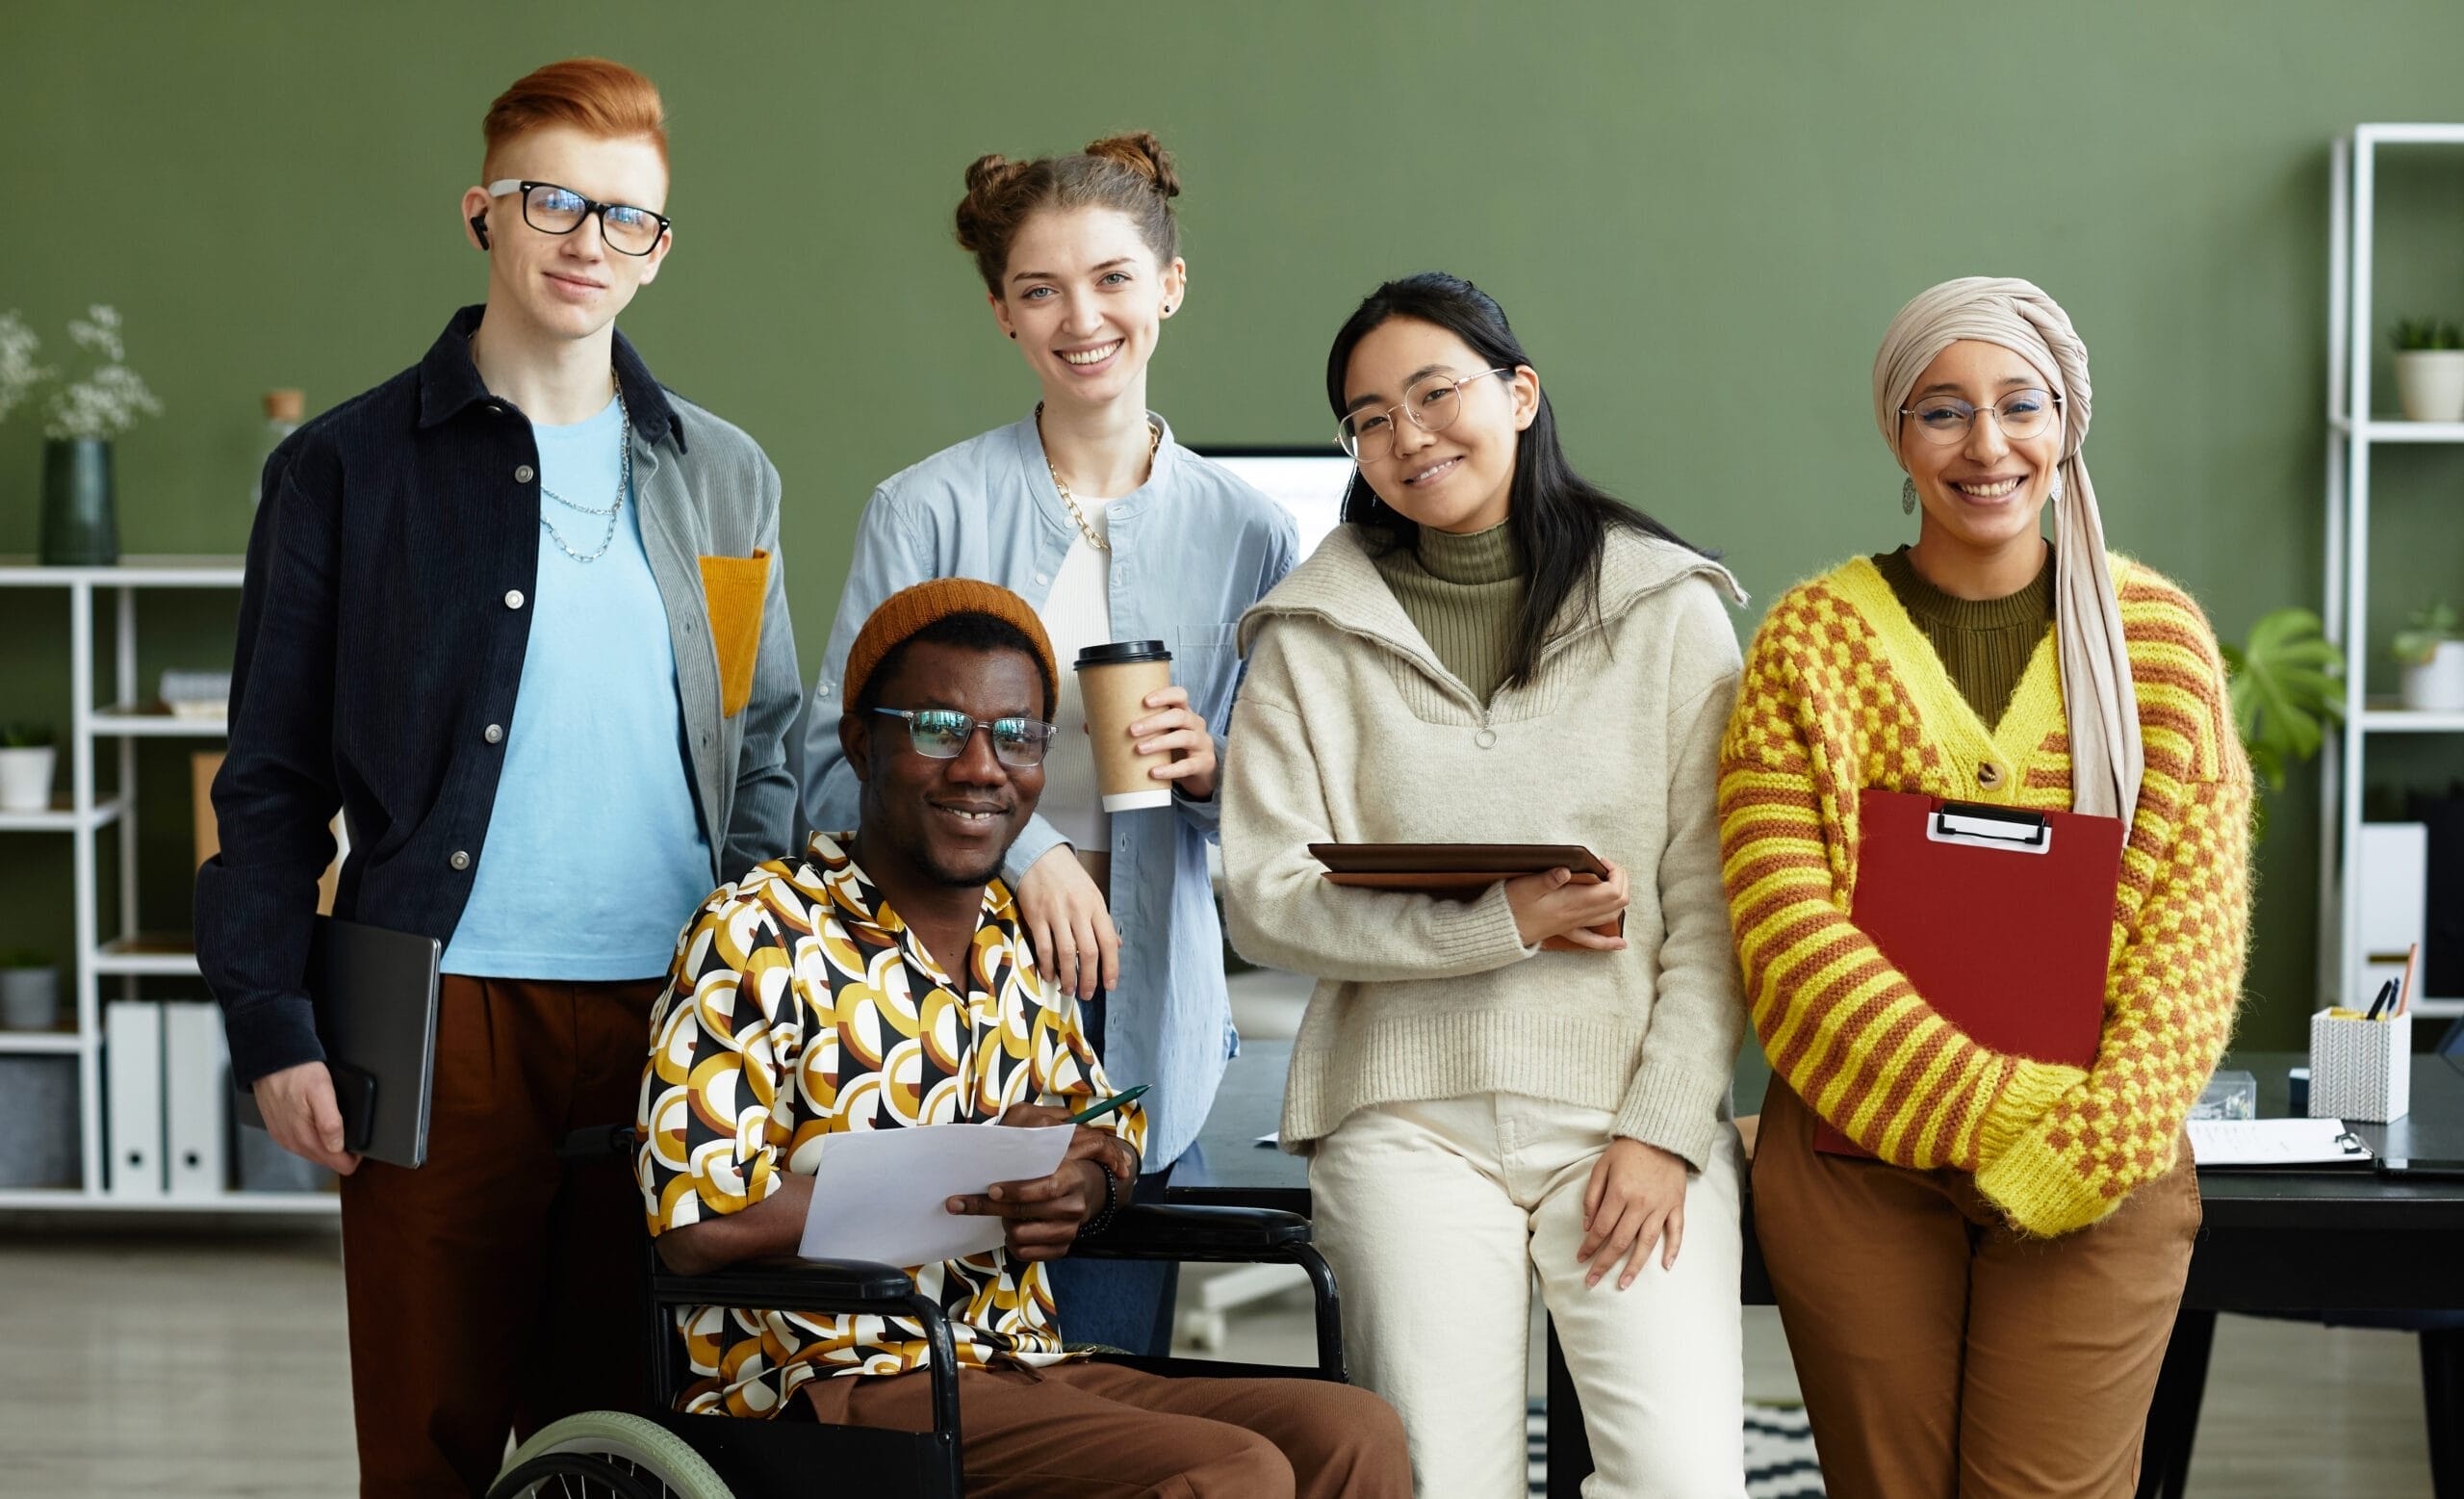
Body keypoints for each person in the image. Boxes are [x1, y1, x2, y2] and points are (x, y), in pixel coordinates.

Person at [193, 59, 800, 1495]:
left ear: (660, 251)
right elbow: (270, 777)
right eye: (551, 201)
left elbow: (762, 739)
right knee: (431, 1439)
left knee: (638, 1438)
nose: (586, 240)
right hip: (435, 1016)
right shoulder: (344, 471)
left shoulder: (724, 475)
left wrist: (749, 977)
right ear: (484, 214)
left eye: (625, 218)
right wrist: (272, 1023)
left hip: (673, 1022)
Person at [644, 579, 1410, 1499]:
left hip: (1020, 1363)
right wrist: (946, 1178)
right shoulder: (758, 929)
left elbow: (1104, 1135)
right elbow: (696, 1227)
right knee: (1230, 1471)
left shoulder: (1015, 939)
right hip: (829, 1381)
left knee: (1351, 1430)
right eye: (937, 728)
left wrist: (1078, 1185)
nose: (981, 766)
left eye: (1017, 736)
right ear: (860, 745)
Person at [1718, 276, 2254, 1498]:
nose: (1986, 444)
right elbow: (1787, 938)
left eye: (2021, 404)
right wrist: (2001, 1110)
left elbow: (2193, 931)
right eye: (1941, 411)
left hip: (2100, 1152)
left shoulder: (2159, 643)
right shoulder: (1808, 645)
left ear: (2066, 422)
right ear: (1896, 437)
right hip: (1858, 1157)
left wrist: (2095, 1132)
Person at [1221, 272, 1753, 1498]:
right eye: (1367, 418)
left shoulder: (1669, 610)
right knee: (1441, 1484)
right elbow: (1266, 896)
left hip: (1623, 1114)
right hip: (1400, 1119)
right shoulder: (1306, 632)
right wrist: (1498, 926)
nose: (1406, 437)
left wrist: (1666, 1131)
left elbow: (1714, 902)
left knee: (1680, 1483)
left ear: (1517, 394)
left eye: (1433, 393)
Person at [799, 131, 1297, 1353]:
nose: (1083, 317)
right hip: (923, 1011)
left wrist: (1212, 773)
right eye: (1041, 289)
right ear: (1002, 314)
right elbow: (824, 762)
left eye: (1114, 278)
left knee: (1107, 1381)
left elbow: (1286, 810)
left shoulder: (1252, 536)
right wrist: (1029, 855)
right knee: (927, 1388)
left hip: (1140, 1016)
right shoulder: (927, 508)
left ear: (1170, 285)